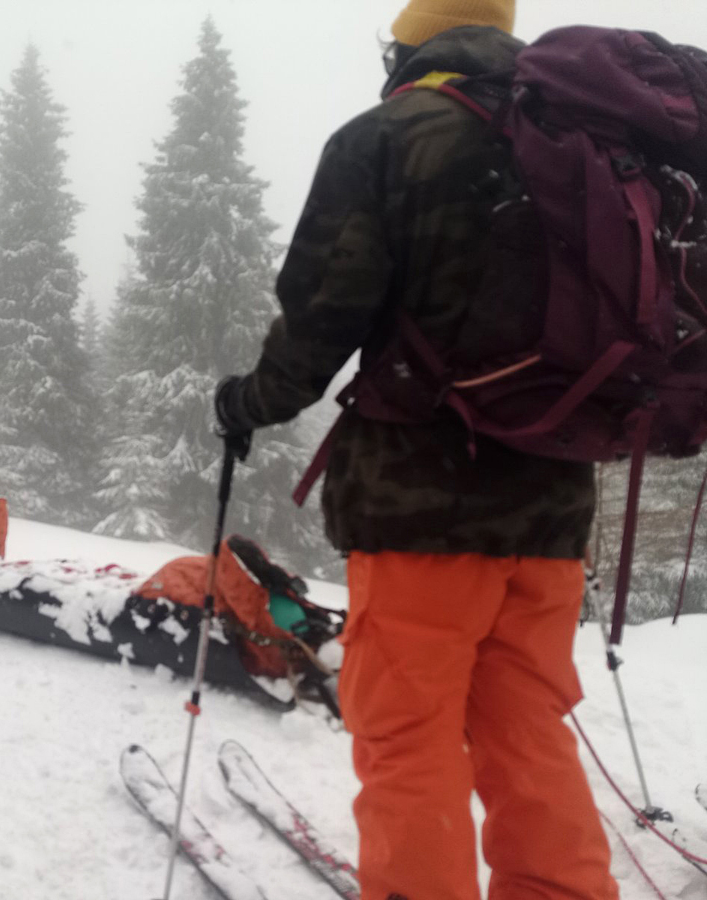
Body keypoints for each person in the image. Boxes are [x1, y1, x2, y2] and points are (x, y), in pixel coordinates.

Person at [213, 2, 618, 899]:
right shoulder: (575, 136)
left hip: (421, 510)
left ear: (410, 45)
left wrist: (248, 403)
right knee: (527, 730)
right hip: (552, 512)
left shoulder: (391, 136)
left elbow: (321, 318)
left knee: (407, 735)